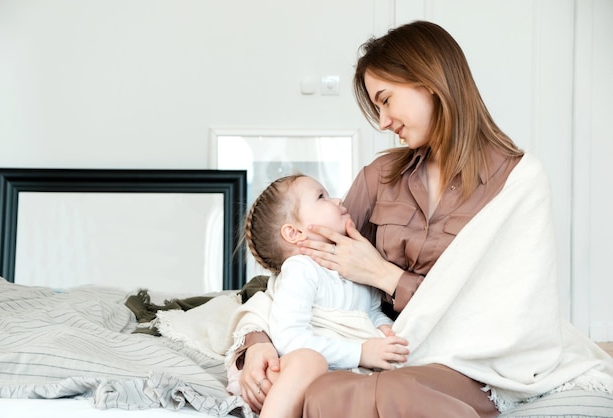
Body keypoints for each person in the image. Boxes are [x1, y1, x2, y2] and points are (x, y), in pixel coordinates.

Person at [232, 20, 613, 417]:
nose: (382, 122)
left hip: (473, 365)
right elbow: (303, 266)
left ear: (428, 82)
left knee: (391, 390)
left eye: (385, 100)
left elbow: (512, 315)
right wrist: (257, 340)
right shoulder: (379, 178)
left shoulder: (518, 181)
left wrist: (386, 276)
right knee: (322, 391)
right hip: (390, 356)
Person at [225, 174, 408, 418]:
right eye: (321, 196)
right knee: (309, 361)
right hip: (287, 374)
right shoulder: (301, 270)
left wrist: (384, 329)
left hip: (338, 371)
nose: (338, 200)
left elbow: (369, 312)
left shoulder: (354, 266)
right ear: (294, 233)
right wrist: (362, 352)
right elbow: (289, 338)